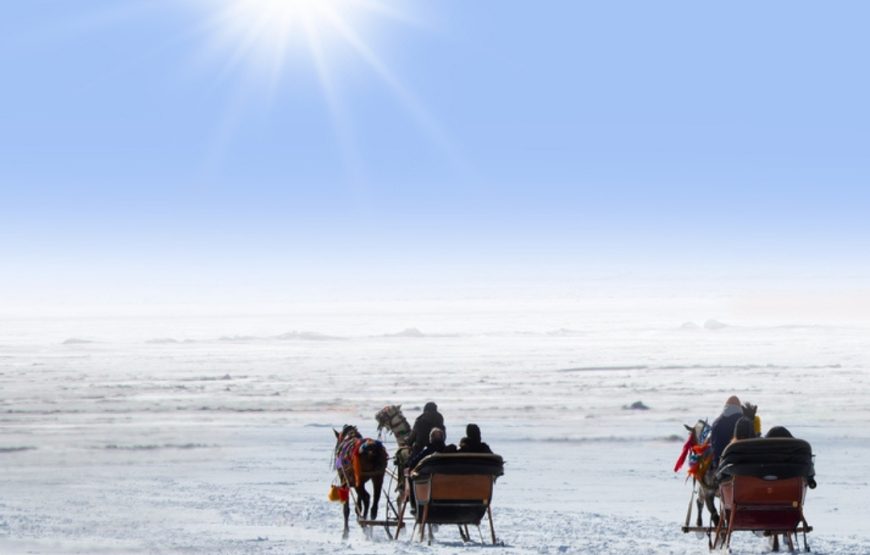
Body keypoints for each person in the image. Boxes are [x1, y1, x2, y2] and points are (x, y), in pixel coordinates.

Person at [710, 396, 745, 467]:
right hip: (744, 464)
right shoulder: (747, 422)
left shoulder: (717, 423)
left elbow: (715, 448)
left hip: (723, 465)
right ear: (739, 407)